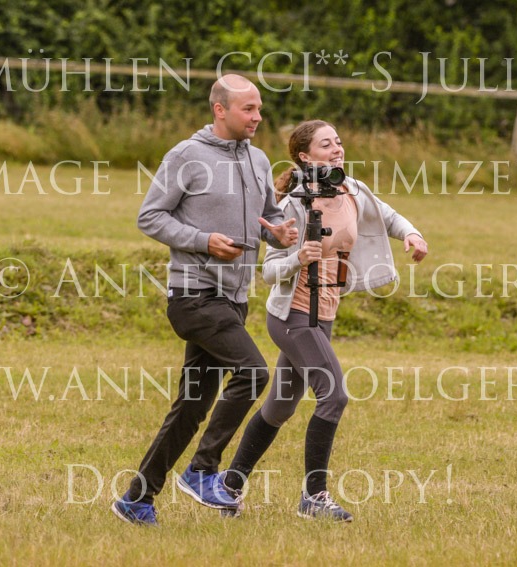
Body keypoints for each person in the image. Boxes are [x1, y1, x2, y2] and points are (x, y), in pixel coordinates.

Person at [111, 75, 298, 526]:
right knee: (253, 373)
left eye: (259, 108)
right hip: (194, 296)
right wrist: (203, 240)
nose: (257, 117)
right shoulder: (186, 155)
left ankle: (136, 499)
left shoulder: (257, 159)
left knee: (192, 406)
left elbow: (269, 219)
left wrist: (279, 234)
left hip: (234, 299)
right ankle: (202, 470)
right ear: (220, 109)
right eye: (248, 109)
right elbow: (150, 217)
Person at [221, 120, 428, 521]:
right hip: (293, 317)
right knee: (334, 395)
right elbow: (268, 271)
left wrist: (412, 235)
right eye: (326, 144)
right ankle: (314, 497)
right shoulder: (293, 205)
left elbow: (388, 216)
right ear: (304, 156)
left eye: (338, 142)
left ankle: (228, 486)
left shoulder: (352, 190)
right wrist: (299, 259)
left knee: (279, 408)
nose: (337, 149)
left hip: (325, 315)